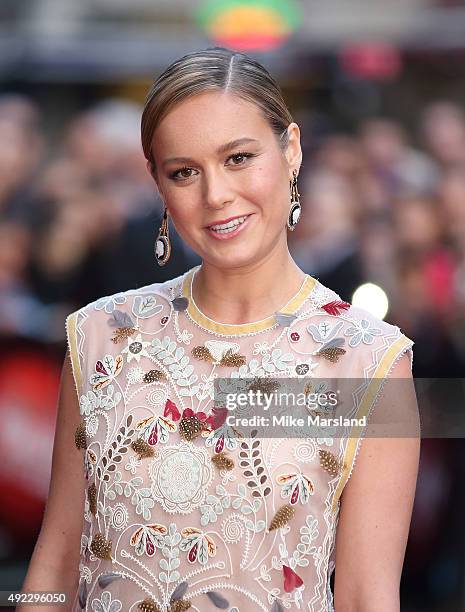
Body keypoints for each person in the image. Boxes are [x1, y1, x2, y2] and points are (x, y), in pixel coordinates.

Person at [21, 47, 420, 612]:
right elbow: (53, 569)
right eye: (184, 172)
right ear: (159, 187)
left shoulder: (365, 363)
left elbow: (367, 597)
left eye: (238, 158)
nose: (215, 195)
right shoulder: (100, 337)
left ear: (292, 150)